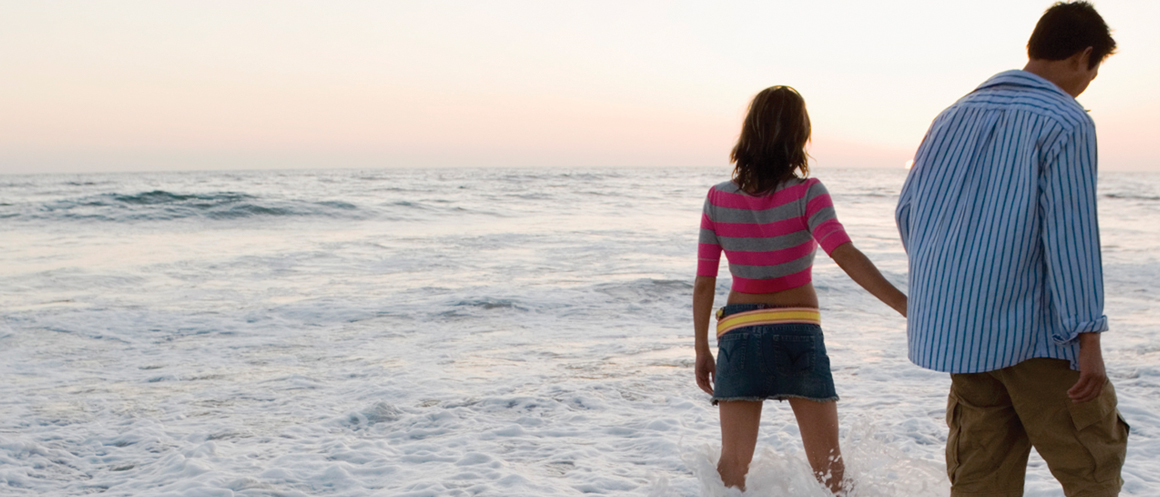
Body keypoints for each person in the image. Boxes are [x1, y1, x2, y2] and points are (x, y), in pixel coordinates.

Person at [895, 2, 1128, 495]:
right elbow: (1071, 237)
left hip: (964, 334)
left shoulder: (951, 115)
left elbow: (908, 212)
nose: (1088, 82)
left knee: (982, 479)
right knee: (1093, 470)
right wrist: (1088, 338)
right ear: (1084, 56)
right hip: (1038, 339)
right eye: (1094, 70)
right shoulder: (1065, 121)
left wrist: (952, 287)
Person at [694, 85, 908, 493]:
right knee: (830, 470)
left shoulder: (718, 198)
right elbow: (844, 254)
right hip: (797, 332)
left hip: (738, 334)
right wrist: (904, 305)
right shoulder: (808, 193)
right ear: (800, 136)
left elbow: (705, 281)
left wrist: (701, 348)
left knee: (732, 467)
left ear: (748, 133)